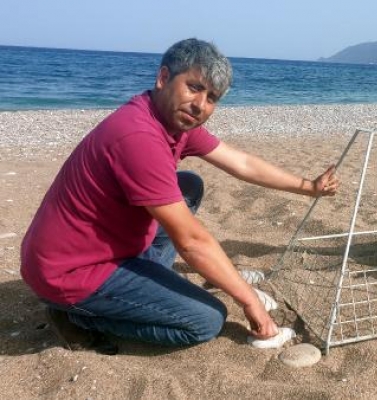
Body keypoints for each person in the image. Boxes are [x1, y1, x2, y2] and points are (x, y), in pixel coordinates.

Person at [20, 38, 340, 354]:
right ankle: (80, 317)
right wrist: (249, 300)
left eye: (212, 97)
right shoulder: (138, 136)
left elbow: (240, 162)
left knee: (187, 186)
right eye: (193, 87)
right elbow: (191, 242)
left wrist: (307, 187)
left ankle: (145, 284)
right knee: (206, 321)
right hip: (69, 271)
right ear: (163, 79)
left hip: (100, 248)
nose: (200, 105)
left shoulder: (174, 124)